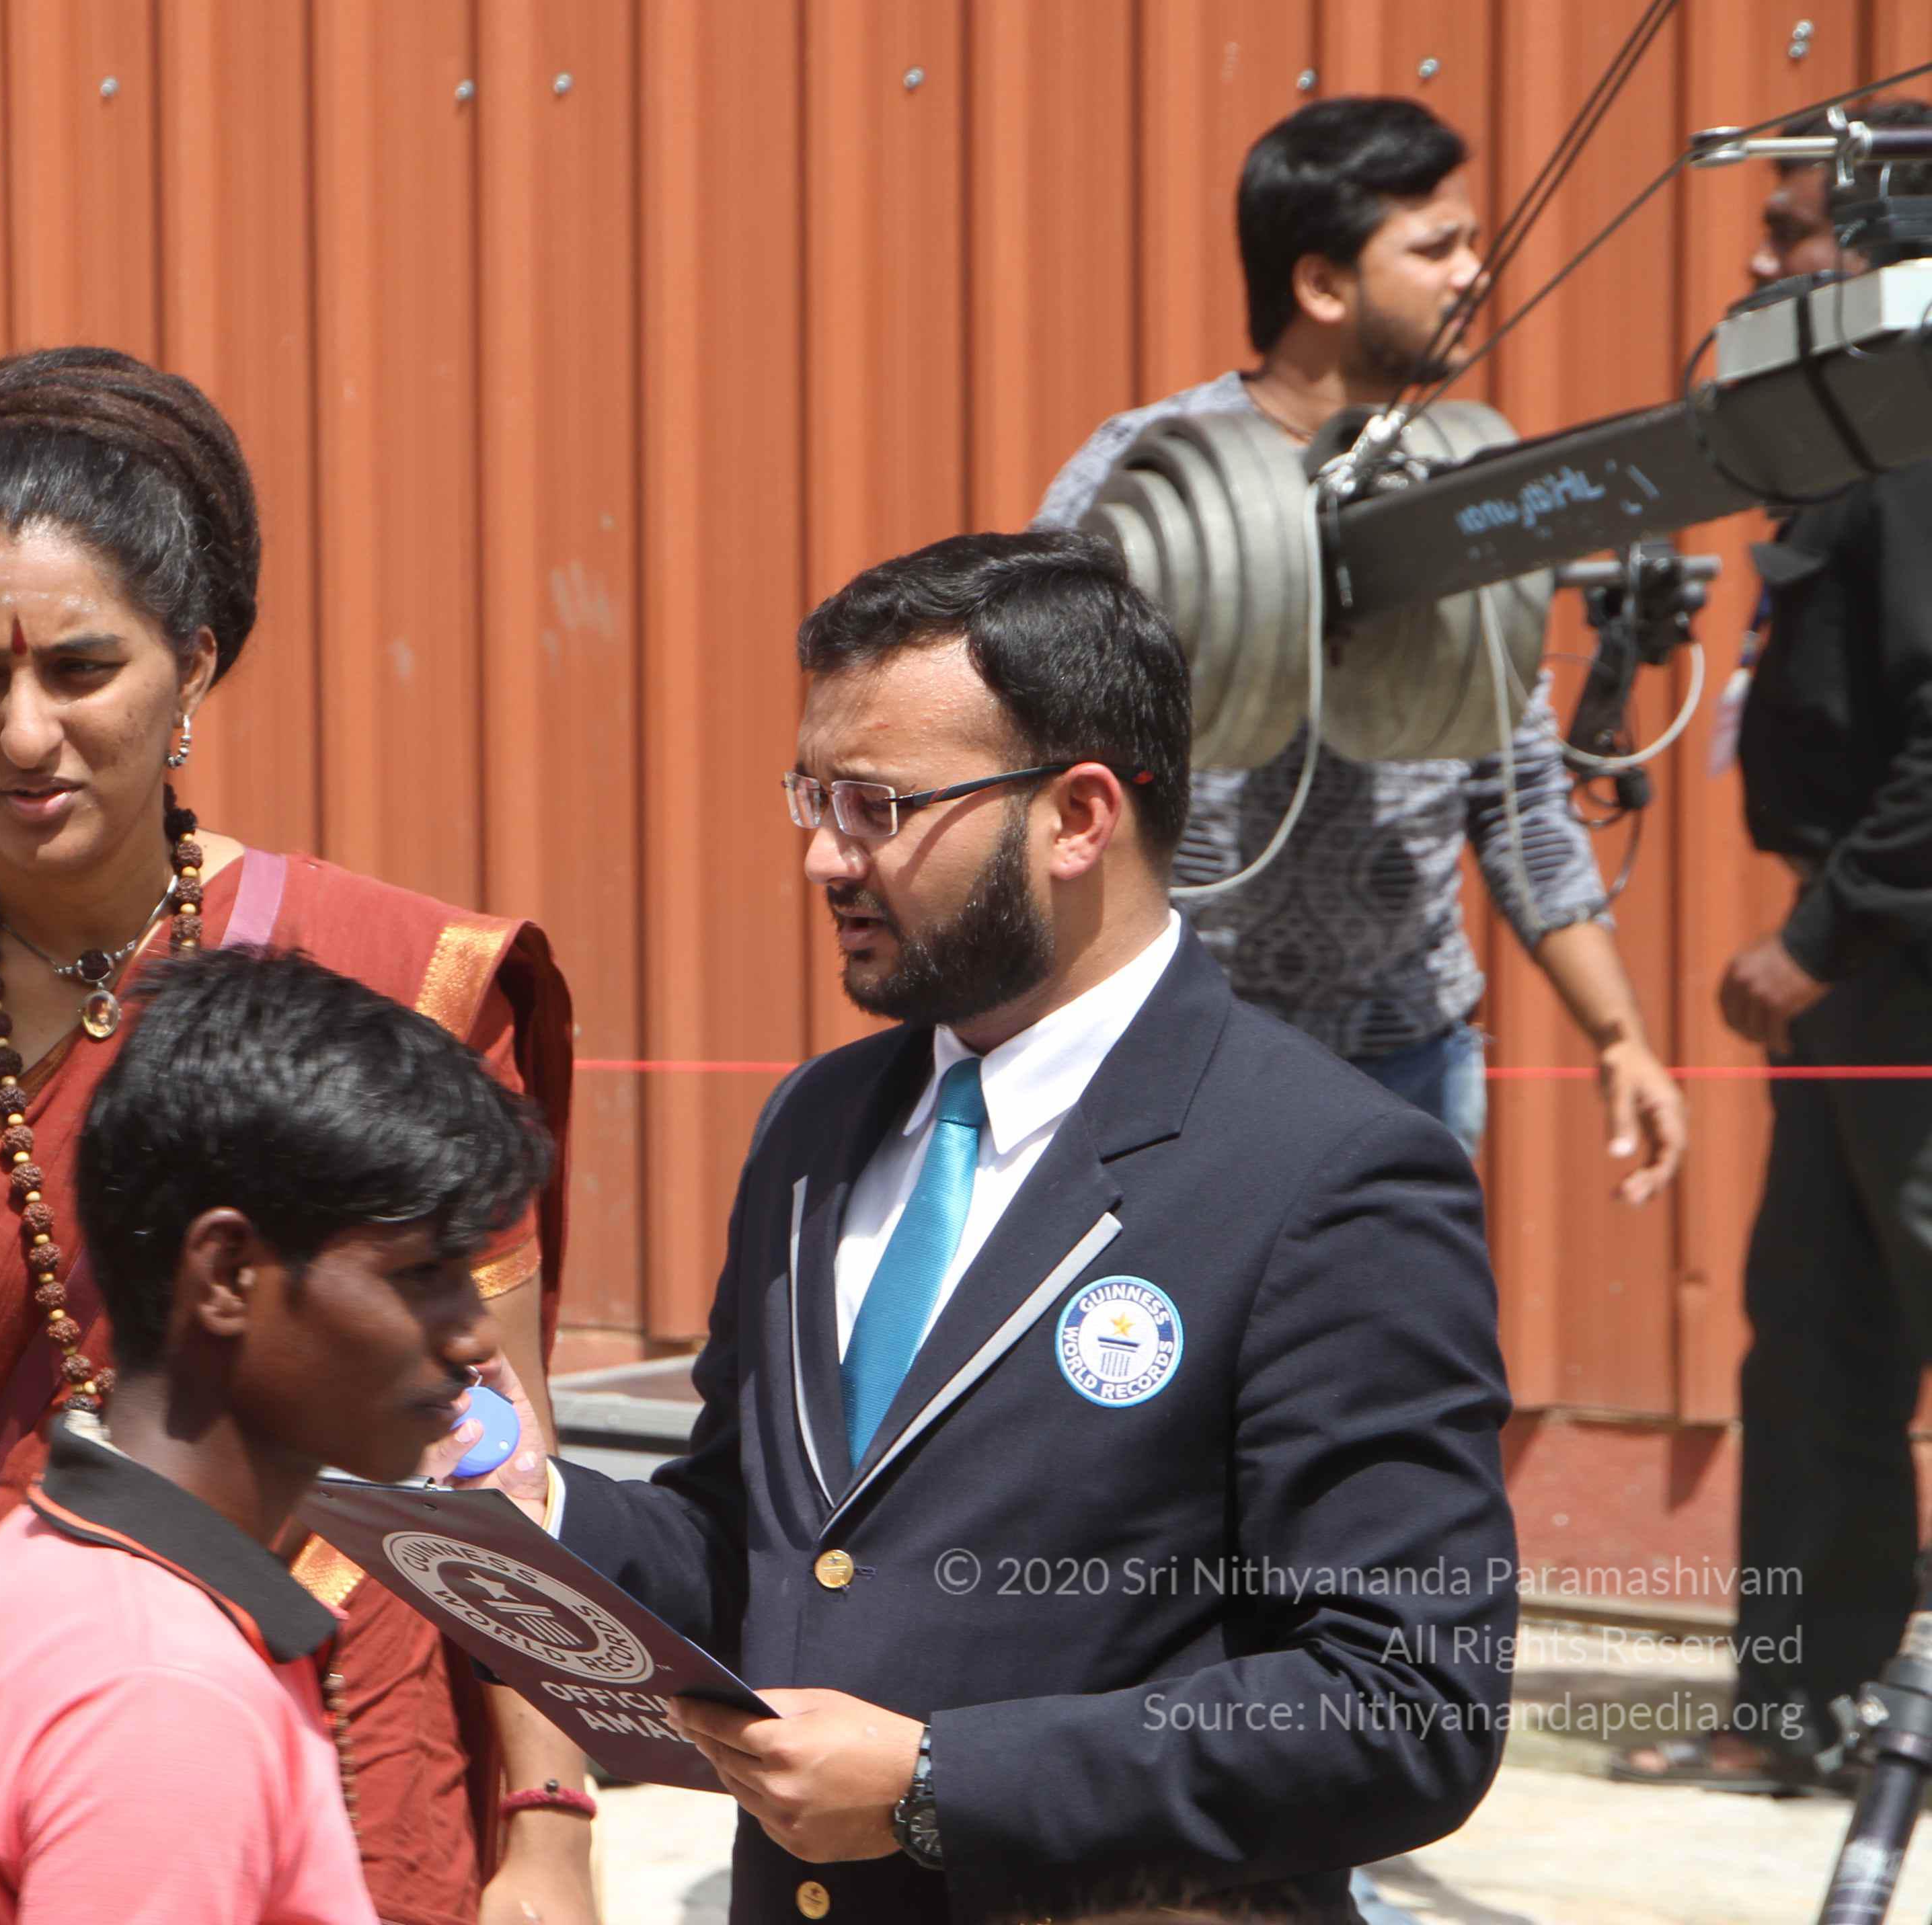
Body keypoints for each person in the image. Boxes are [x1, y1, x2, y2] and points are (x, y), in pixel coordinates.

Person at [0, 348, 597, 1925]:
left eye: (84, 670)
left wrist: (550, 1829)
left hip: (347, 1750)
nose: (25, 734)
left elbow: (497, 1446)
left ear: (194, 667)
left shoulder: (396, 979)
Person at [473, 531, 1516, 1922]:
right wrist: (534, 1507)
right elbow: (765, 1560)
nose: (821, 856)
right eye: (810, 796)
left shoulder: (1325, 1171)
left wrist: (939, 1782)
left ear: (1079, 817)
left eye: (876, 806)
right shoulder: (817, 1127)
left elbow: (1404, 1704)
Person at [1034, 96, 1691, 1198]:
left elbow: (1518, 786)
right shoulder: (1144, 480)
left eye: (1472, 242)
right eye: (1436, 249)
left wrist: (1619, 1035)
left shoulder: (1465, 496)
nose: (1475, 274)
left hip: (1408, 1061)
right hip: (1178, 1055)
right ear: (1322, 285)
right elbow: (1027, 752)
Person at [0, 947, 556, 1925]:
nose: (474, 1338)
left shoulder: (43, 1559)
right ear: (228, 1276)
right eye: (422, 1274)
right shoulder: (162, 1697)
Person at [1613, 105, 1932, 1795]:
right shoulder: (1855, 439)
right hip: (1859, 971)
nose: (1762, 257)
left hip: (1894, 960)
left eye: (1796, 228)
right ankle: (1797, 1709)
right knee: (1815, 1340)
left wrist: (1820, 932)